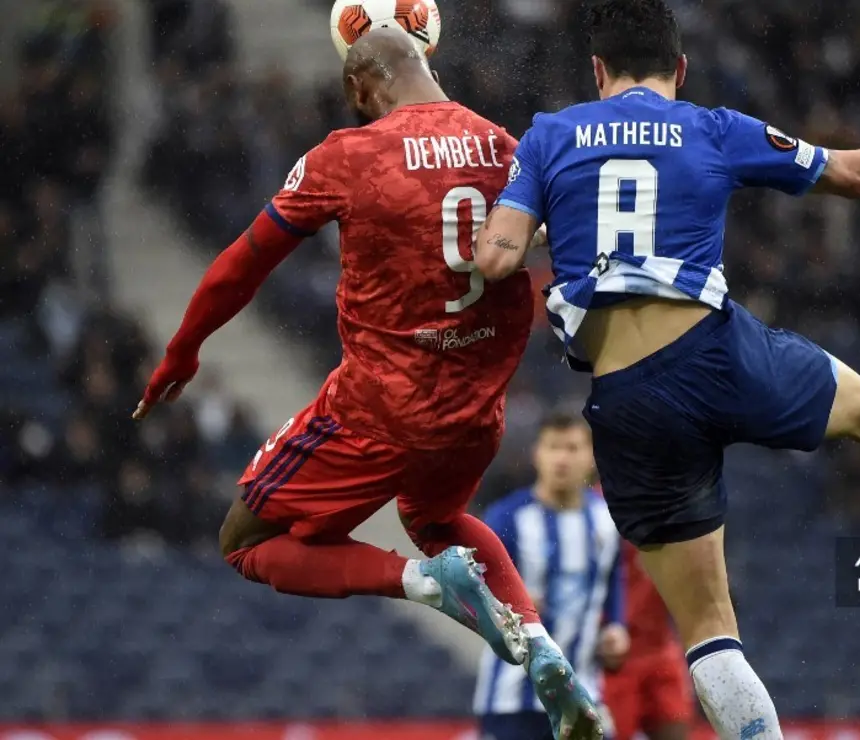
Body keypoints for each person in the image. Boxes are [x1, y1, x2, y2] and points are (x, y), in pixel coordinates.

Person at [473, 1, 860, 736]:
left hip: (627, 398)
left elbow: (496, 258)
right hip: (713, 352)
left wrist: (549, 224)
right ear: (679, 68)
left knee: (709, 627)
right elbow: (854, 173)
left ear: (595, 70)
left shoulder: (551, 136)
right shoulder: (712, 127)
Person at [132, 28, 601, 740]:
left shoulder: (348, 155)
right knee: (438, 520)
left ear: (360, 88)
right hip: (474, 414)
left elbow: (243, 264)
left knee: (243, 539)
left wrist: (184, 350)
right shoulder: (507, 147)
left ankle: (420, 583)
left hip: (376, 410)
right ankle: (538, 645)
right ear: (427, 62)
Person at [475, 413, 628, 740]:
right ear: (537, 455)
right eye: (553, 447)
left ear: (591, 457)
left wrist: (617, 627)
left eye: (572, 448)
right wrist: (507, 608)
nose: (562, 458)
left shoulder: (606, 521)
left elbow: (613, 579)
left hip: (584, 693)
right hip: (514, 698)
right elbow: (471, 595)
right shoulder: (506, 519)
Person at [603, 542, 693, 740]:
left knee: (674, 725)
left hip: (659, 649)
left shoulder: (670, 527)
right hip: (615, 659)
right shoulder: (601, 528)